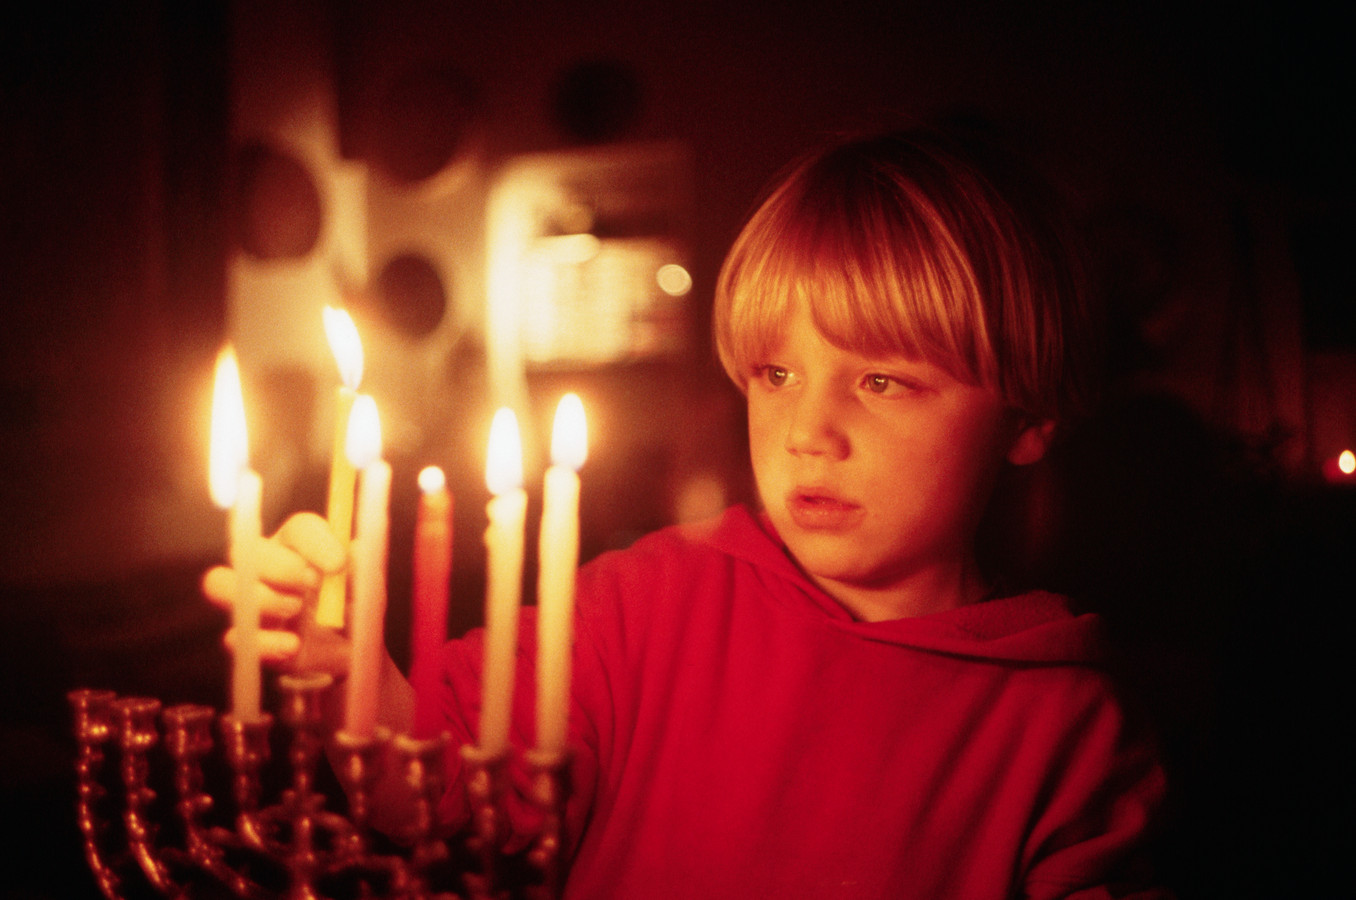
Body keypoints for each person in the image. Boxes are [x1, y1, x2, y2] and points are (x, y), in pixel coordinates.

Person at [204, 127, 1172, 898]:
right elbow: (445, 791)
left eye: (883, 380)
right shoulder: (645, 606)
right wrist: (346, 670)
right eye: (777, 373)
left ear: (1028, 419)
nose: (808, 431)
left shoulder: (1065, 723)